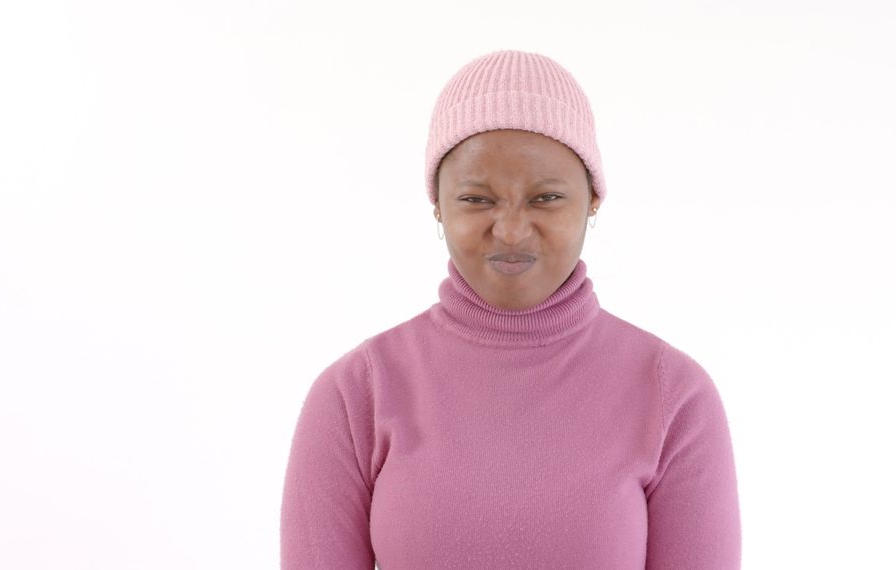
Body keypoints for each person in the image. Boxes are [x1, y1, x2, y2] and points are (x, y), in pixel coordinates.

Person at [280, 49, 742, 569]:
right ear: (437, 203)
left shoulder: (672, 395)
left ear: (593, 200)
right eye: (477, 199)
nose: (512, 230)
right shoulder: (355, 395)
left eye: (546, 198)